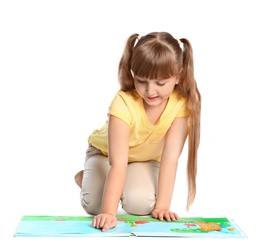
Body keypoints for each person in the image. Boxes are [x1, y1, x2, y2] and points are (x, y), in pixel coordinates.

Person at [74, 31, 201, 232]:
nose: (150, 91)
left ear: (179, 76)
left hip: (145, 160)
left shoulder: (183, 104)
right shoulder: (123, 102)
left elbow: (170, 158)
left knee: (140, 205)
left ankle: (120, 186)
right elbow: (118, 162)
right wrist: (108, 212)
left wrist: (162, 207)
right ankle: (85, 178)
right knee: (94, 205)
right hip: (106, 155)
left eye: (160, 83)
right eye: (142, 81)